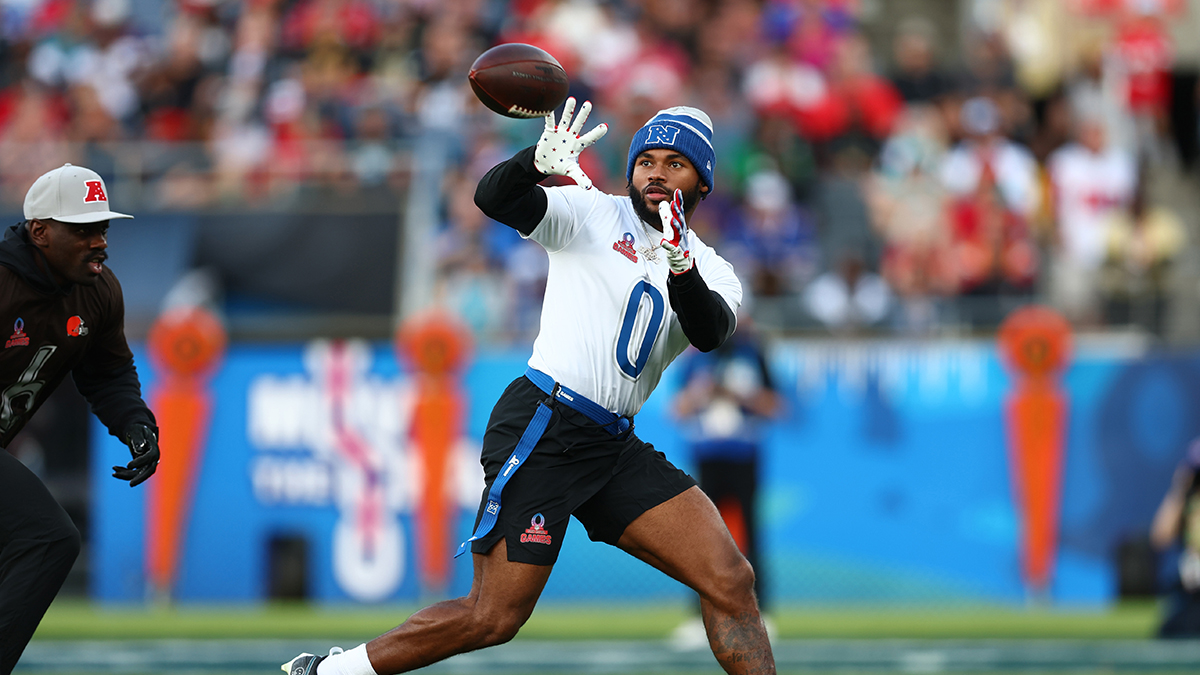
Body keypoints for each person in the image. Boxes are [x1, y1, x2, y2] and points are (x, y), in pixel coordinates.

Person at [283, 99, 775, 675]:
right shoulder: (591, 211)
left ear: (703, 182)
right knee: (493, 616)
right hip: (546, 422)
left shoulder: (712, 268)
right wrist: (533, 163)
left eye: (675, 165)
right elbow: (493, 198)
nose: (657, 175)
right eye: (647, 162)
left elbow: (710, 333)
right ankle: (330, 672)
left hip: (612, 444)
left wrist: (681, 267)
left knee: (730, 578)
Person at [0, 164, 160, 674]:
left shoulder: (97, 292)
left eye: (103, 228)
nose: (100, 243)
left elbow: (108, 374)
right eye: (83, 230)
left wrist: (135, 424)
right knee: (47, 537)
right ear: (40, 232)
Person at [668, 315, 780, 650]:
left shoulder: (753, 354)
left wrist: (740, 395)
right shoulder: (695, 358)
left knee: (751, 536)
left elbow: (776, 406)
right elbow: (677, 409)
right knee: (703, 539)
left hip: (744, 455)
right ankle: (699, 616)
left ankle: (761, 614)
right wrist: (704, 392)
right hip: (707, 456)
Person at [1151, 438, 1200, 638]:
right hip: (1190, 596)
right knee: (1170, 632)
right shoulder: (1186, 502)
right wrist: (1179, 489)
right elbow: (1160, 537)